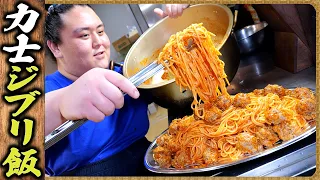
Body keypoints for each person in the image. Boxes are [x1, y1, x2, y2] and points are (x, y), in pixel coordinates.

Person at [44, 4, 187, 176]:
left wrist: (175, 28)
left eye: (100, 31)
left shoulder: (125, 73)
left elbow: (176, 91)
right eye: (84, 35)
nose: (99, 42)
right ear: (55, 47)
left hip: (150, 163)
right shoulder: (47, 89)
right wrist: (60, 102)